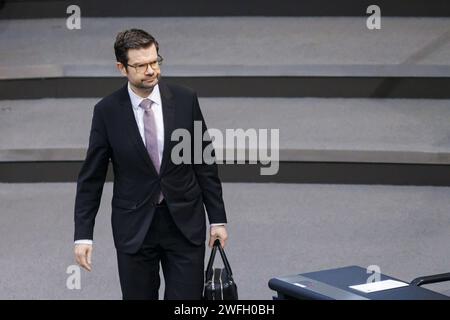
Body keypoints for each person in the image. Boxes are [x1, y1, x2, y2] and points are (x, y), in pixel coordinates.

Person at [73, 29, 228, 300]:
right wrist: (83, 235)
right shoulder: (107, 111)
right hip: (134, 228)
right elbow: (91, 178)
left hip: (184, 224)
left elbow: (203, 161)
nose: (151, 70)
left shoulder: (184, 100)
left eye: (155, 61)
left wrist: (217, 219)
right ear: (121, 68)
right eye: (141, 65)